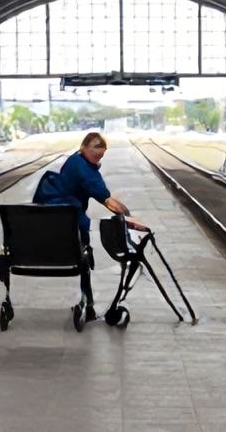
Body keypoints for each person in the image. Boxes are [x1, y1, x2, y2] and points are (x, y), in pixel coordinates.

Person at [31, 132, 144, 322]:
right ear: (84, 147)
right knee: (83, 254)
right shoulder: (85, 169)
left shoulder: (73, 161)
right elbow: (107, 201)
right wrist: (128, 217)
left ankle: (89, 304)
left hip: (48, 229)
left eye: (102, 151)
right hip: (69, 227)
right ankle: (88, 305)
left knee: (81, 235)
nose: (99, 153)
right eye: (95, 148)